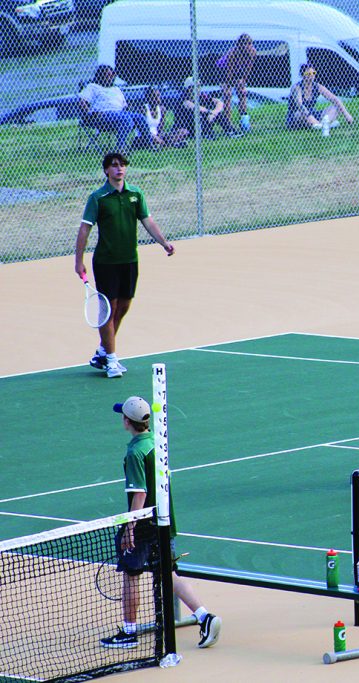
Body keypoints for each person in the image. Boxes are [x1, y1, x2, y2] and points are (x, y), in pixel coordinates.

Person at [99, 395, 222, 650]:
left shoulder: (135, 452)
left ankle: (129, 632)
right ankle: (204, 616)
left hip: (143, 524)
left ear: (126, 421)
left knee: (131, 574)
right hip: (164, 520)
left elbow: (140, 493)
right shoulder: (157, 440)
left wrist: (130, 527)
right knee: (167, 571)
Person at [74, 152, 175, 378]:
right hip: (106, 262)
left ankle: (102, 351)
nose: (119, 169)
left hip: (129, 260)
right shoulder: (97, 198)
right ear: (106, 171)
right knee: (108, 310)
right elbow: (84, 230)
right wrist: (78, 261)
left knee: (124, 306)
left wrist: (164, 243)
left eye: (122, 165)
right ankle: (111, 360)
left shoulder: (136, 194)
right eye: (114, 166)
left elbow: (147, 221)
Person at [78, 65, 154, 153]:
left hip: (120, 113)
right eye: (108, 75)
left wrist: (135, 109)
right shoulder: (93, 87)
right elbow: (82, 102)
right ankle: (120, 148)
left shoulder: (116, 89)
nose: (111, 77)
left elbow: (125, 106)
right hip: (101, 115)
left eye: (112, 75)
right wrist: (90, 113)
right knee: (125, 119)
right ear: (101, 76)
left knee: (139, 117)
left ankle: (149, 144)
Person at [286, 63, 353, 136]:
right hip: (298, 115)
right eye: (308, 73)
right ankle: (324, 125)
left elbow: (334, 99)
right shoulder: (297, 87)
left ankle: (322, 124)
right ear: (302, 75)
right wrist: (310, 117)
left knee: (336, 108)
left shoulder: (317, 86)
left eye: (313, 73)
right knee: (300, 114)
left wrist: (347, 114)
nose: (311, 76)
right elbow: (300, 105)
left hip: (312, 112)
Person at [171, 77, 242, 141]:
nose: (198, 89)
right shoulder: (183, 97)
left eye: (199, 86)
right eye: (196, 87)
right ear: (189, 88)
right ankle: (206, 133)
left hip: (202, 120)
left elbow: (219, 102)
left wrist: (214, 113)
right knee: (202, 114)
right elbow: (194, 107)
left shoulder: (201, 96)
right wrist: (209, 112)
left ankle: (230, 131)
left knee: (218, 114)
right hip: (187, 126)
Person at [220, 33, 256, 131]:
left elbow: (248, 68)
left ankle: (244, 120)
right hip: (223, 70)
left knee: (242, 92)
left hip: (238, 71)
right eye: (244, 44)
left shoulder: (253, 52)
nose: (247, 46)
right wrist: (229, 85)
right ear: (239, 45)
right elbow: (229, 73)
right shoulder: (233, 54)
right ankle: (228, 124)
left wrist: (243, 80)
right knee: (227, 94)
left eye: (249, 44)